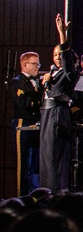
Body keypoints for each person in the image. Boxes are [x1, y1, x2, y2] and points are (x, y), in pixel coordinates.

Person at [40, 15, 81, 192]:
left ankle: (56, 194)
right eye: (55, 55)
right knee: (46, 158)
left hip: (57, 114)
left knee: (54, 157)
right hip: (47, 114)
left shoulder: (71, 72)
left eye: (61, 55)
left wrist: (62, 36)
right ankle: (46, 192)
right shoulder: (53, 73)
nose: (57, 57)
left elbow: (68, 66)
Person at [8, 49, 43, 195]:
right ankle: (20, 196)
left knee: (35, 163)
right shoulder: (17, 82)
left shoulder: (38, 82)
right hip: (23, 124)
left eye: (38, 64)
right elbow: (24, 103)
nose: (37, 67)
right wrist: (38, 94)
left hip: (36, 124)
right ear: (25, 65)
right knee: (22, 163)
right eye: (34, 64)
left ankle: (34, 194)